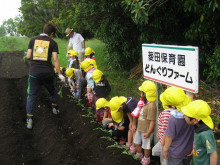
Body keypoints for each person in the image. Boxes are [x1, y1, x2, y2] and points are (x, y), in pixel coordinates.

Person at [25, 23, 65, 129]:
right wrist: (59, 74)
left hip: (34, 73)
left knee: (32, 95)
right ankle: (55, 109)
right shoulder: (53, 42)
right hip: (47, 73)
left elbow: (28, 56)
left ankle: (29, 119)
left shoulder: (33, 40)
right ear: (52, 33)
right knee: (52, 90)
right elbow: (55, 59)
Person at [160, 86, 194, 165]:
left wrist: (165, 150)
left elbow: (169, 137)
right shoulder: (191, 114)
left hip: (175, 153)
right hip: (188, 150)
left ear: (173, 106)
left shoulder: (173, 118)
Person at [181, 100, 220, 165]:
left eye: (186, 115)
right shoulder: (197, 127)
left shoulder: (205, 134)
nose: (184, 117)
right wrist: (193, 150)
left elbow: (213, 154)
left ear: (195, 120)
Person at [133, 80, 157, 165]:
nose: (140, 94)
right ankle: (139, 154)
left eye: (142, 93)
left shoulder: (151, 106)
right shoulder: (143, 103)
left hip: (146, 130)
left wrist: (149, 132)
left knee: (146, 146)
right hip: (140, 128)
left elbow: (152, 121)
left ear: (146, 94)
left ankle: (147, 159)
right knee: (137, 143)